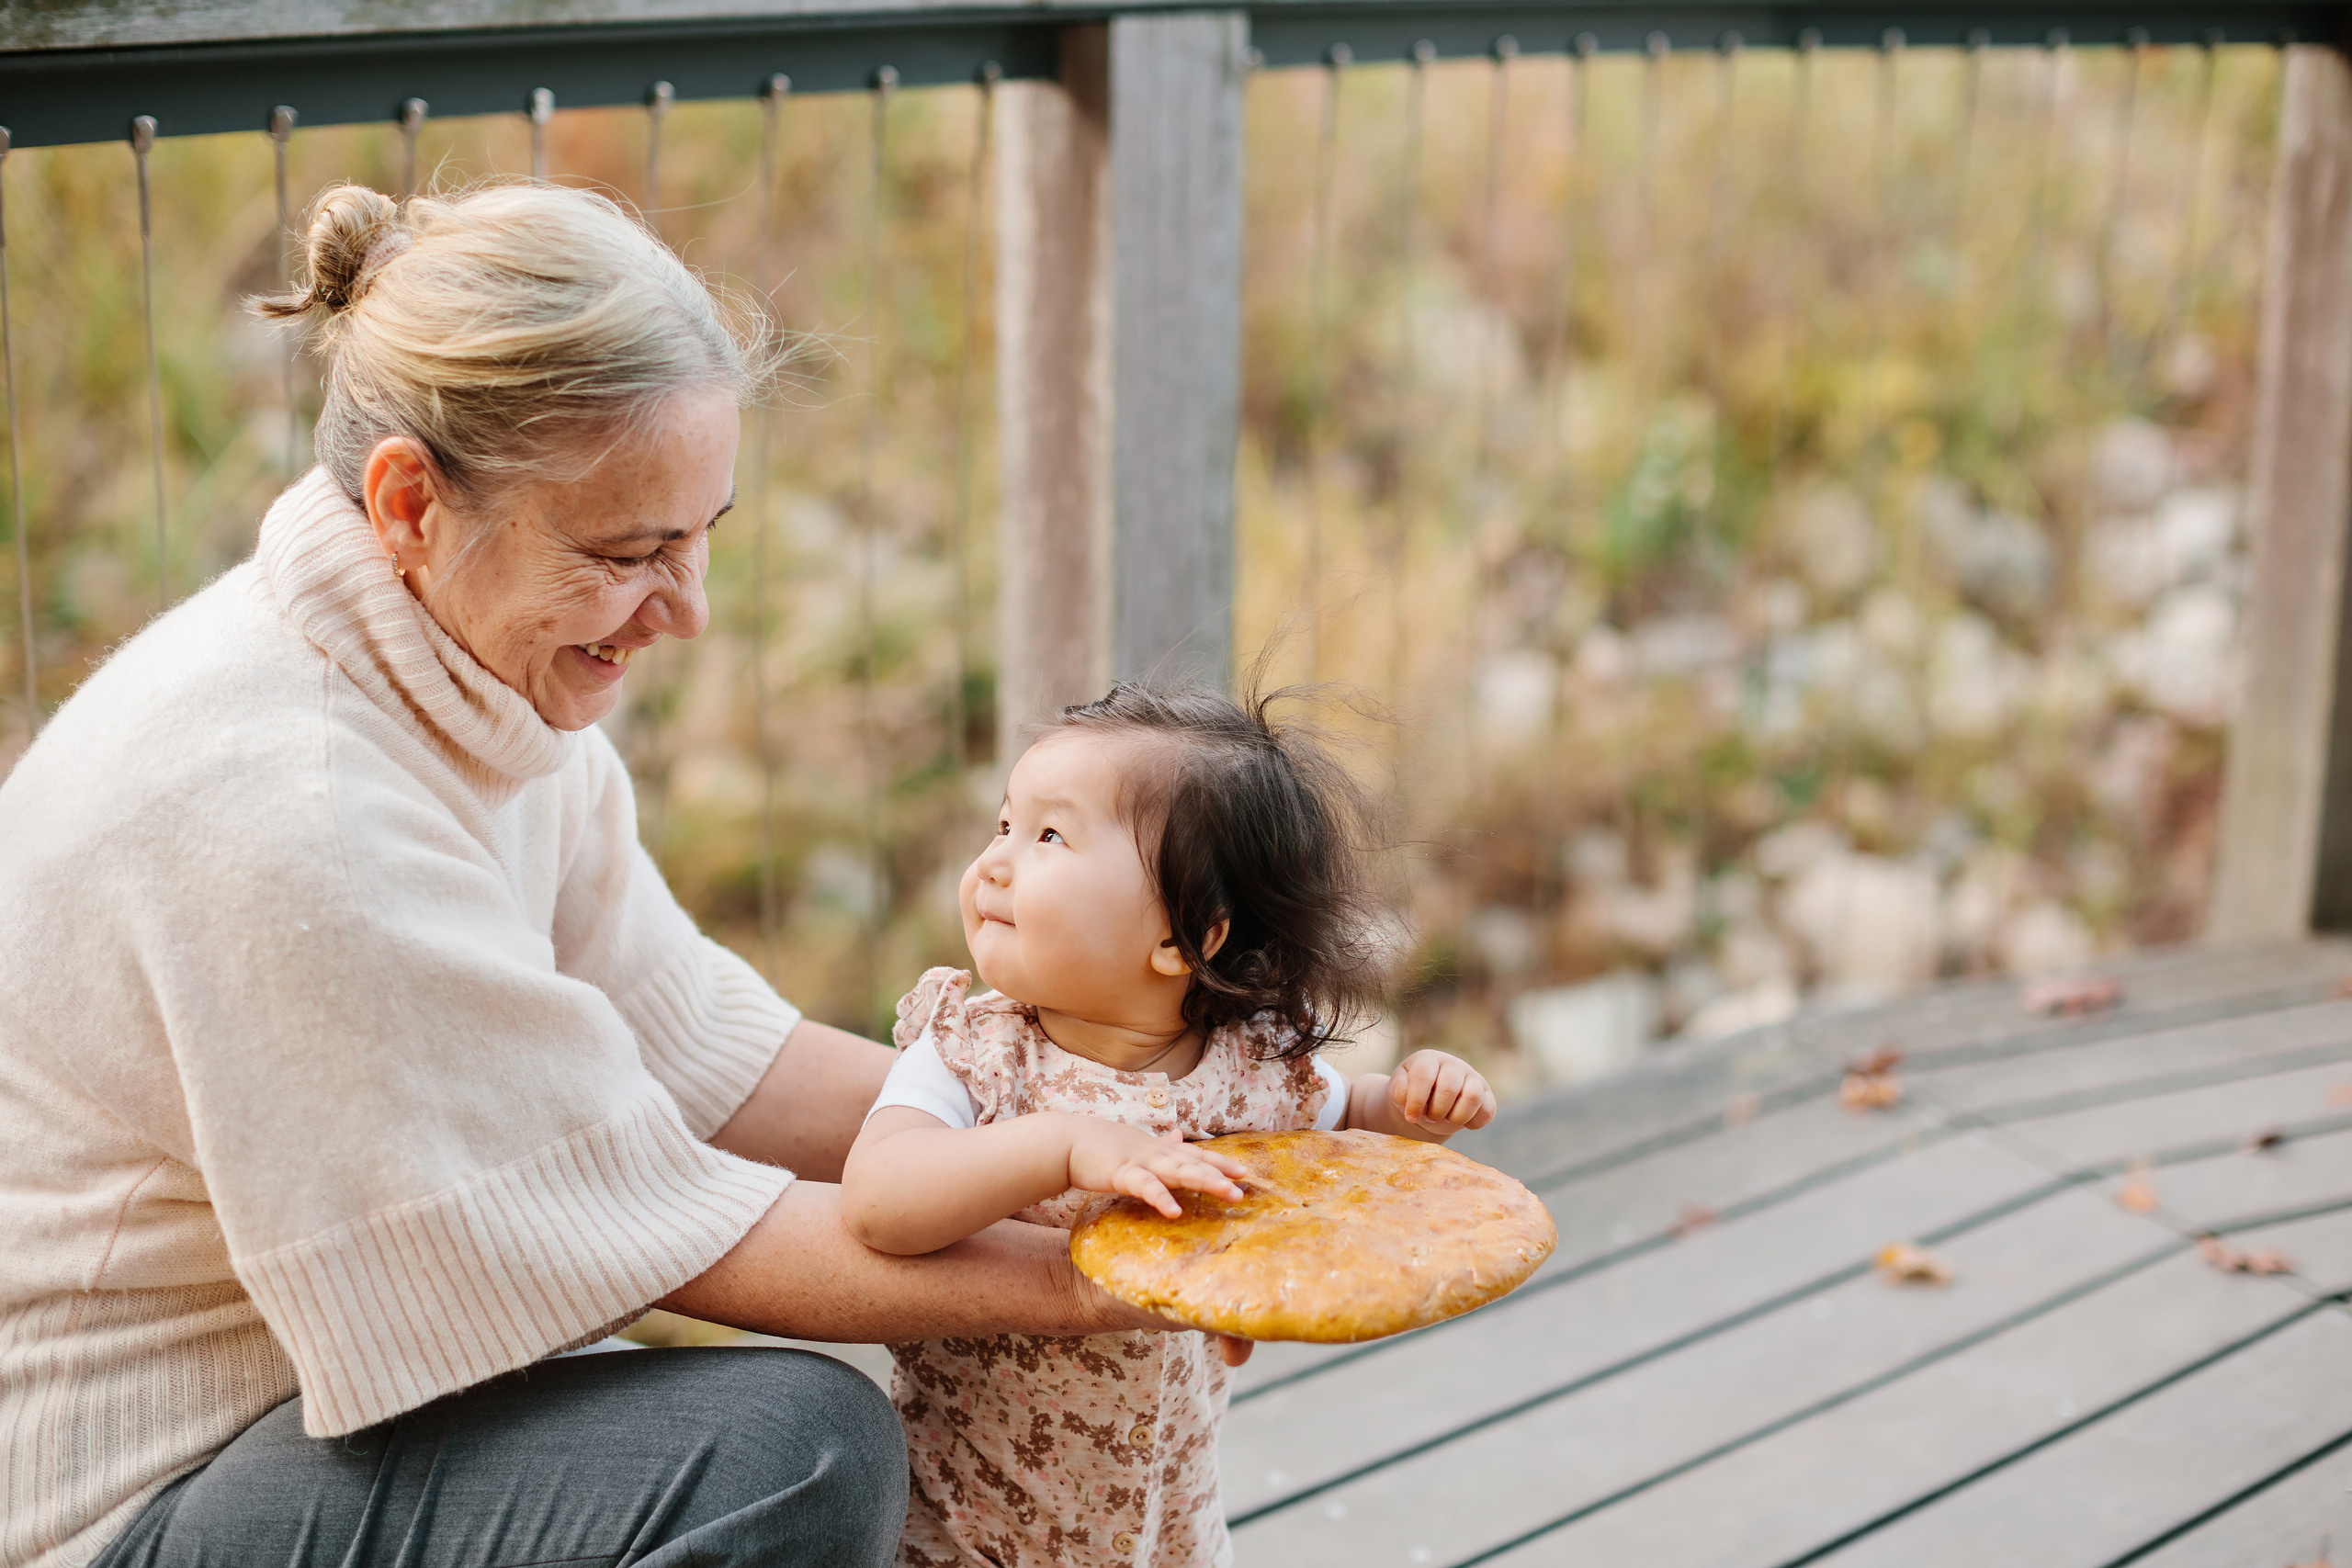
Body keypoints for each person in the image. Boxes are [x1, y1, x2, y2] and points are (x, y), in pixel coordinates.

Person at [0, 181, 1175, 1568]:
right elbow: (660, 1227)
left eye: (703, 532)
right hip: (124, 1503)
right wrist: (1118, 1275)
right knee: (794, 1452)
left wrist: (1148, 1131)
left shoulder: (466, 669)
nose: (688, 608)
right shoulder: (300, 812)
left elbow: (710, 1059)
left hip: (302, 1420)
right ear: (410, 503)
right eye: (630, 553)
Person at [841, 683, 1499, 1568]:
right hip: (972, 1519)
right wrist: (1065, 1146)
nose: (993, 863)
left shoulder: (1248, 1068)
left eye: (1047, 837)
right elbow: (880, 1200)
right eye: (1003, 825)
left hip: (1168, 1513)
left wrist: (1413, 1108)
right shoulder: (973, 1051)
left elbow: (1350, 1132)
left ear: (1185, 939)